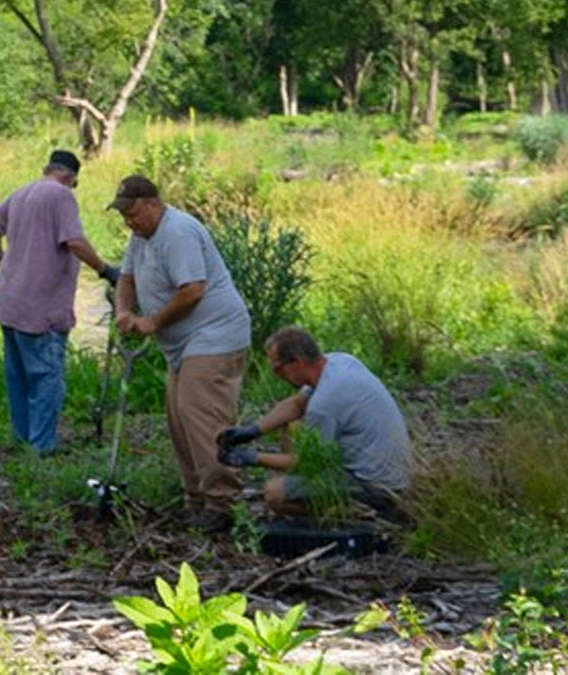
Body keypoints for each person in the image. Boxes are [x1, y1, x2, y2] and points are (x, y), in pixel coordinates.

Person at [109, 175, 251, 534]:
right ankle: (196, 499)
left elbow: (192, 290)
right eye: (124, 215)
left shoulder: (178, 232)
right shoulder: (141, 237)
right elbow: (126, 279)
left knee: (203, 417)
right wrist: (123, 312)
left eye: (134, 213)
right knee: (179, 419)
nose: (129, 221)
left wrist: (153, 322)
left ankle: (222, 502)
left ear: (154, 204)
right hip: (184, 344)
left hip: (215, 335)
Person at [0, 149, 120, 455]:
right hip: (41, 308)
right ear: (70, 178)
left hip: (11, 302)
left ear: (48, 169)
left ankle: (24, 440)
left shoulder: (21, 193)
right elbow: (74, 240)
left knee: (18, 377)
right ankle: (41, 448)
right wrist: (106, 270)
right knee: (46, 379)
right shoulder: (61, 196)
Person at [217, 326, 413, 523]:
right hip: (393, 476)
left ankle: (366, 515)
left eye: (277, 368)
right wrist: (251, 431)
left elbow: (305, 463)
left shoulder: (324, 404)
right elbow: (296, 404)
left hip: (377, 487)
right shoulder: (340, 362)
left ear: (297, 361)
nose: (276, 375)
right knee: (294, 424)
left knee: (275, 493)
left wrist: (252, 458)